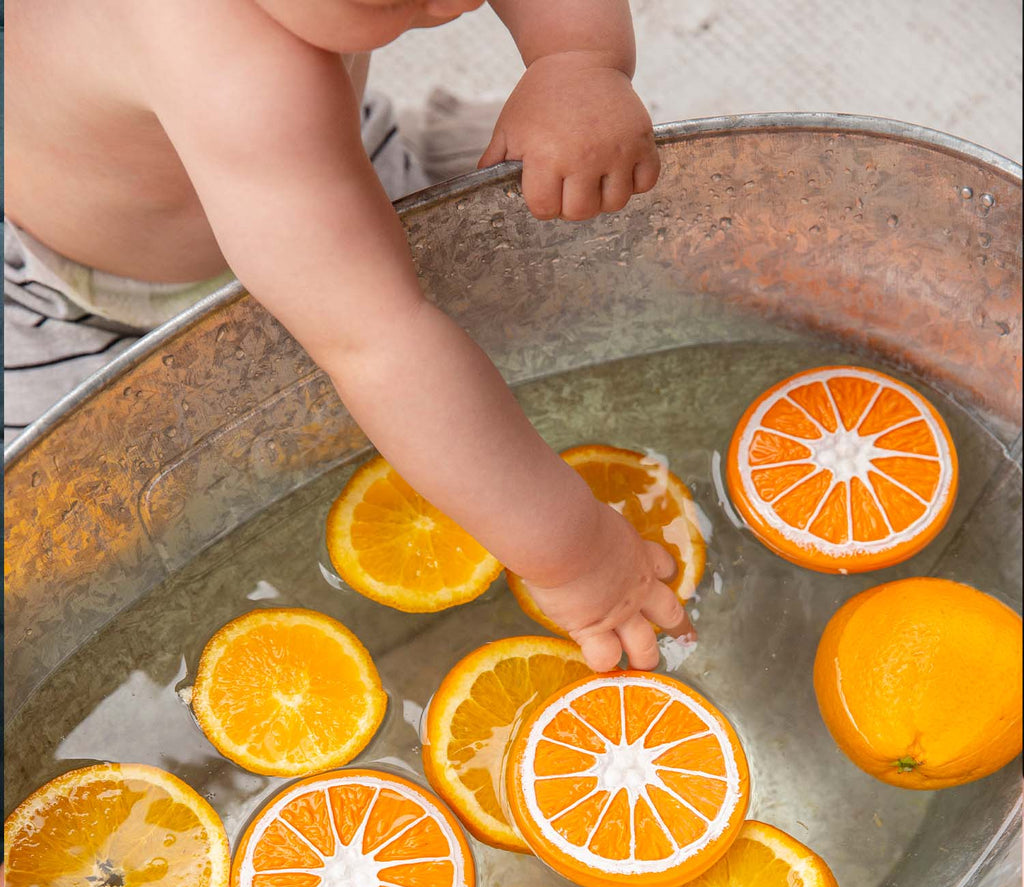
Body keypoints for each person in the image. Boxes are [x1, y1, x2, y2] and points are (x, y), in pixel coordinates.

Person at [4, 0, 691, 672]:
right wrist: (573, 553)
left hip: (315, 161)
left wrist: (577, 59)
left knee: (594, 183)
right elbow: (378, 345)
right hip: (87, 302)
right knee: (64, 543)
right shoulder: (226, 61)